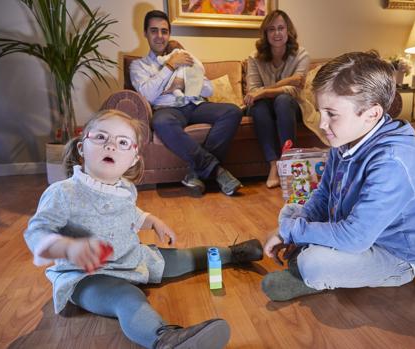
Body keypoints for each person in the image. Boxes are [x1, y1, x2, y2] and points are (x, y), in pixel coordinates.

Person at [24, 109, 263, 348]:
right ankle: (165, 339)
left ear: (134, 158)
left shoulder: (126, 188)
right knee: (126, 297)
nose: (111, 146)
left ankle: (232, 254)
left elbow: (130, 212)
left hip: (134, 259)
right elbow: (37, 230)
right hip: (87, 277)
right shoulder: (63, 192)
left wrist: (152, 220)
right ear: (81, 148)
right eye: (100, 137)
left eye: (123, 142)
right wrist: (65, 247)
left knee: (185, 257)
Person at [261, 51, 415, 302]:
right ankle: (311, 250)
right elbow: (322, 197)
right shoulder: (343, 144)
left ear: (371, 114)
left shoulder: (392, 163)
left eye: (331, 114)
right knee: (291, 210)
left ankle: (311, 269)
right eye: (320, 111)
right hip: (355, 233)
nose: (321, 124)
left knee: (313, 261)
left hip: (394, 257)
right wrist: (292, 227)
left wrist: (291, 233)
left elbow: (354, 237)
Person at [130, 10, 243, 196]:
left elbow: (208, 89)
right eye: (154, 31)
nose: (160, 36)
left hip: (194, 105)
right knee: (161, 122)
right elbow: (149, 95)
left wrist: (183, 82)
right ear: (145, 33)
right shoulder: (138, 66)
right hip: (167, 110)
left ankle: (195, 173)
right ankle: (216, 171)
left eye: (164, 31)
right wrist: (170, 66)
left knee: (232, 112)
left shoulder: (184, 56)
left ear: (169, 33)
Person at [244, 9, 310, 188]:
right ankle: (273, 165)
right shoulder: (254, 58)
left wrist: (265, 92)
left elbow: (295, 91)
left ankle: (288, 162)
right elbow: (253, 91)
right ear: (265, 34)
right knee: (260, 106)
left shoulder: (301, 54)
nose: (277, 33)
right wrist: (288, 81)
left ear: (288, 31)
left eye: (281, 28)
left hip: (290, 106)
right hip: (262, 107)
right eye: (271, 29)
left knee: (283, 100)